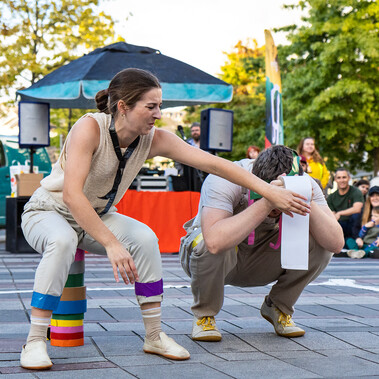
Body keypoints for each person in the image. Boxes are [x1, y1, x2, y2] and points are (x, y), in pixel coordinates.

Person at [19, 68, 310, 370]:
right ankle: (36, 340)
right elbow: (72, 196)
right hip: (48, 212)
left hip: (98, 215)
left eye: (159, 105)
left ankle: (154, 335)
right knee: (62, 240)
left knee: (145, 238)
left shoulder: (153, 139)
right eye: (151, 106)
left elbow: (217, 165)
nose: (159, 113)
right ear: (123, 107)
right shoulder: (89, 129)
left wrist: (268, 192)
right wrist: (112, 244)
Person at [179, 145, 343, 342]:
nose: (278, 206)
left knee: (322, 243)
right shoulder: (225, 178)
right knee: (206, 241)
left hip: (264, 257)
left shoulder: (304, 184)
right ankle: (204, 314)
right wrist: (267, 201)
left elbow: (335, 243)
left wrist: (304, 197)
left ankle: (278, 306)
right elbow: (214, 242)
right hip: (219, 259)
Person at [327, 168, 364, 242]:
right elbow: (333, 216)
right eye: (339, 178)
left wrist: (340, 213)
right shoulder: (331, 197)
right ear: (335, 179)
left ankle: (354, 241)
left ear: (349, 178)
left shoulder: (356, 191)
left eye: (344, 177)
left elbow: (357, 209)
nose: (342, 180)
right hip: (340, 225)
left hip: (354, 225)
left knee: (356, 215)